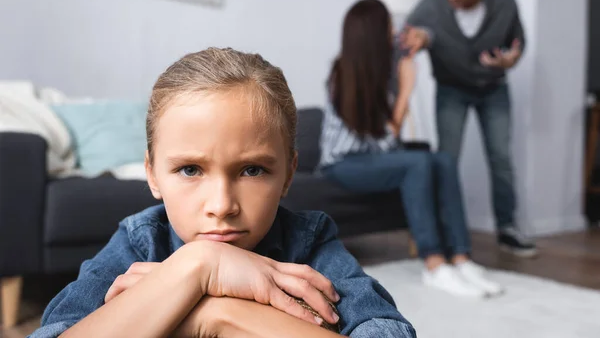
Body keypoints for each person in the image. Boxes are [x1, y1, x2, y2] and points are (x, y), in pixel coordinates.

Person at [28, 48, 416, 338]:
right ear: (153, 174)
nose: (222, 206)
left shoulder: (310, 243)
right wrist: (200, 265)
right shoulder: (139, 242)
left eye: (252, 170)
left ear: (288, 174)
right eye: (190, 169)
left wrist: (214, 313)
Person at [318, 0, 502, 299]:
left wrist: (422, 37)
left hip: (374, 158)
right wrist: (405, 92)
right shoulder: (343, 75)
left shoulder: (383, 66)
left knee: (441, 160)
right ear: (373, 33)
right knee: (418, 164)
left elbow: (419, 35)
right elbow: (382, 141)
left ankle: (460, 257)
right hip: (343, 164)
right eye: (387, 25)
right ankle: (433, 265)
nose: (393, 31)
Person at [401, 0, 537, 257]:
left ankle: (507, 229)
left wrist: (510, 58)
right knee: (447, 161)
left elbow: (518, 42)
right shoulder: (434, 4)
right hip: (451, 89)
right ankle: (446, 231)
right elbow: (412, 34)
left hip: (493, 88)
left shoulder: (504, 0)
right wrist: (419, 39)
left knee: (501, 159)